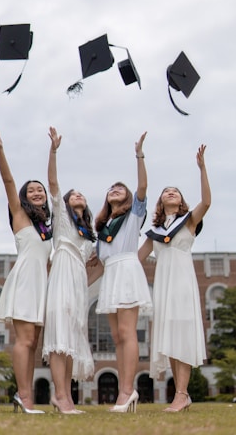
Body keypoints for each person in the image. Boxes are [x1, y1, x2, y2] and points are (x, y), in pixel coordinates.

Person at [138, 144, 211, 412]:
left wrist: (202, 169)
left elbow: (207, 202)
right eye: (166, 191)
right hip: (163, 284)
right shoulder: (155, 230)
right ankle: (181, 395)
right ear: (161, 201)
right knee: (169, 335)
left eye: (176, 192)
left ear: (181, 201)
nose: (171, 192)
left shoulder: (190, 221)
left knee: (182, 331)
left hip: (182, 280)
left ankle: (181, 394)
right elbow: (137, 259)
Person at [0, 128, 52, 414]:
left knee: (33, 342)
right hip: (26, 280)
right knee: (24, 340)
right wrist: (1, 149)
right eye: (32, 190)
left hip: (42, 283)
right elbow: (8, 180)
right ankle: (24, 397)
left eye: (41, 190)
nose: (37, 192)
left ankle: (24, 398)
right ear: (25, 197)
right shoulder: (20, 214)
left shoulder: (48, 227)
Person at [94, 132, 152, 413]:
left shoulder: (133, 217)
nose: (115, 189)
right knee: (117, 337)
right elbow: (98, 262)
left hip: (127, 271)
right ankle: (124, 391)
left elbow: (142, 186)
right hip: (111, 277)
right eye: (111, 188)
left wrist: (139, 155)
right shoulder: (102, 229)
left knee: (128, 333)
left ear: (128, 197)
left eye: (121, 188)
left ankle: (128, 392)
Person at [42, 126, 96, 414]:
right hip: (62, 270)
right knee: (59, 335)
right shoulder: (62, 218)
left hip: (78, 279)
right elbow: (53, 182)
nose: (77, 196)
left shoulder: (88, 232)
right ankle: (59, 395)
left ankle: (68, 399)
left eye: (81, 195)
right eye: (73, 194)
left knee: (72, 336)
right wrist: (54, 150)